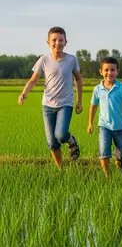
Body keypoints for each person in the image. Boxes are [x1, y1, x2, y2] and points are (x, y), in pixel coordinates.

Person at [18, 26, 82, 169]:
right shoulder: (44, 60)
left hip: (65, 103)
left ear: (66, 42)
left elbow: (78, 79)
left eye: (60, 40)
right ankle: (61, 170)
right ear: (48, 42)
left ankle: (71, 141)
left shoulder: (71, 59)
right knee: (52, 142)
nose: (57, 43)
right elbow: (34, 79)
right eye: (54, 40)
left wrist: (79, 101)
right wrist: (24, 93)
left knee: (60, 135)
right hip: (47, 105)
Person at [88, 57, 122, 177]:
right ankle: (107, 176)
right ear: (101, 71)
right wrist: (90, 123)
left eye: (113, 70)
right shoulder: (97, 89)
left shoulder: (121, 88)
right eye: (106, 70)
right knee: (104, 151)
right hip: (104, 125)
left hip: (120, 126)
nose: (109, 73)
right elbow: (93, 106)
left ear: (117, 71)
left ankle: (120, 161)